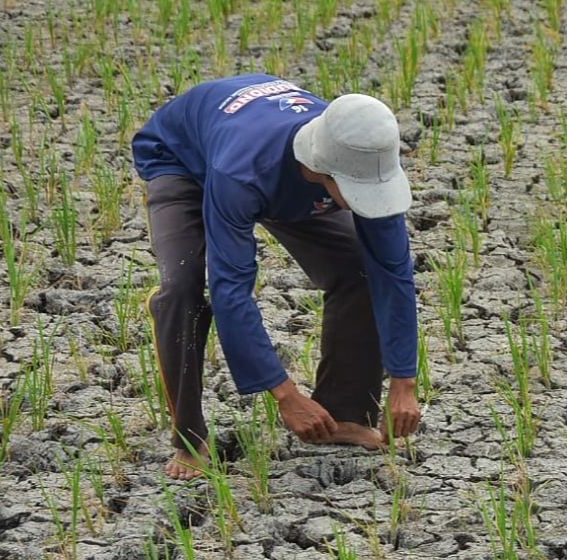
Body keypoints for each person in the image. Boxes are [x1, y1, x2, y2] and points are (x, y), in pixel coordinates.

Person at [131, 75, 422, 480]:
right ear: (325, 170)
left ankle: (344, 413)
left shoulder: (361, 148)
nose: (368, 200)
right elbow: (231, 288)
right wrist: (285, 395)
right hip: (185, 159)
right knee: (182, 290)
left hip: (277, 169)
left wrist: (404, 381)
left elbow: (392, 270)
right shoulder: (244, 171)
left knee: (358, 267)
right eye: (357, 191)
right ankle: (189, 438)